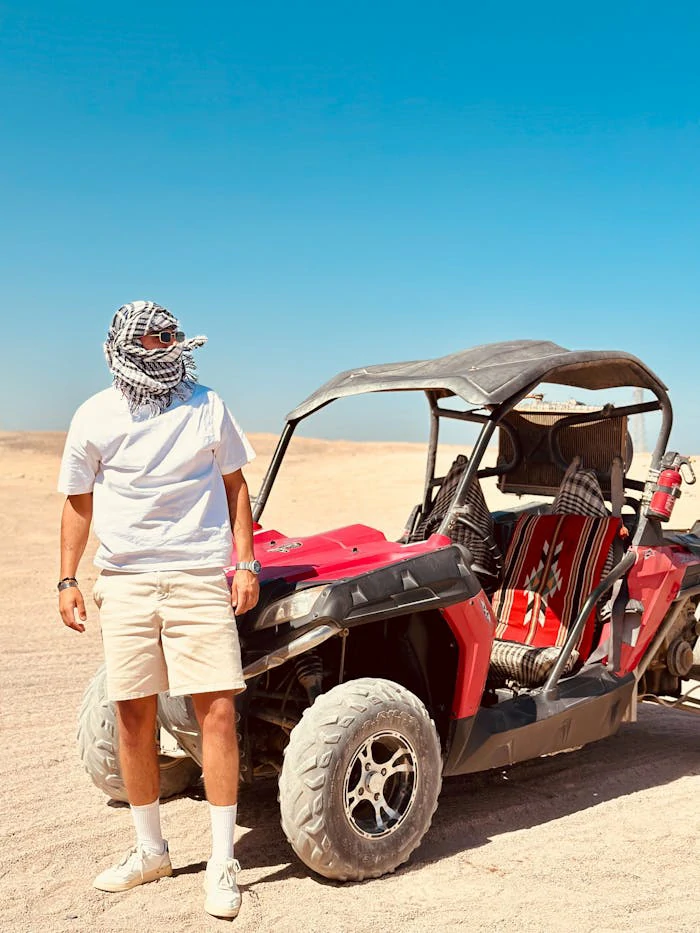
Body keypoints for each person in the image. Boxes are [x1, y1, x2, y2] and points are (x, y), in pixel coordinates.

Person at [57, 300, 259, 920]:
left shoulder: (208, 405)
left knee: (217, 712)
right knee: (132, 715)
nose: (164, 344)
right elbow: (78, 500)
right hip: (124, 580)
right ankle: (151, 851)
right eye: (150, 337)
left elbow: (235, 486)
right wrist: (67, 578)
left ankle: (223, 861)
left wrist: (245, 563)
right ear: (124, 344)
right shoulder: (94, 414)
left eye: (170, 333)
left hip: (199, 575)